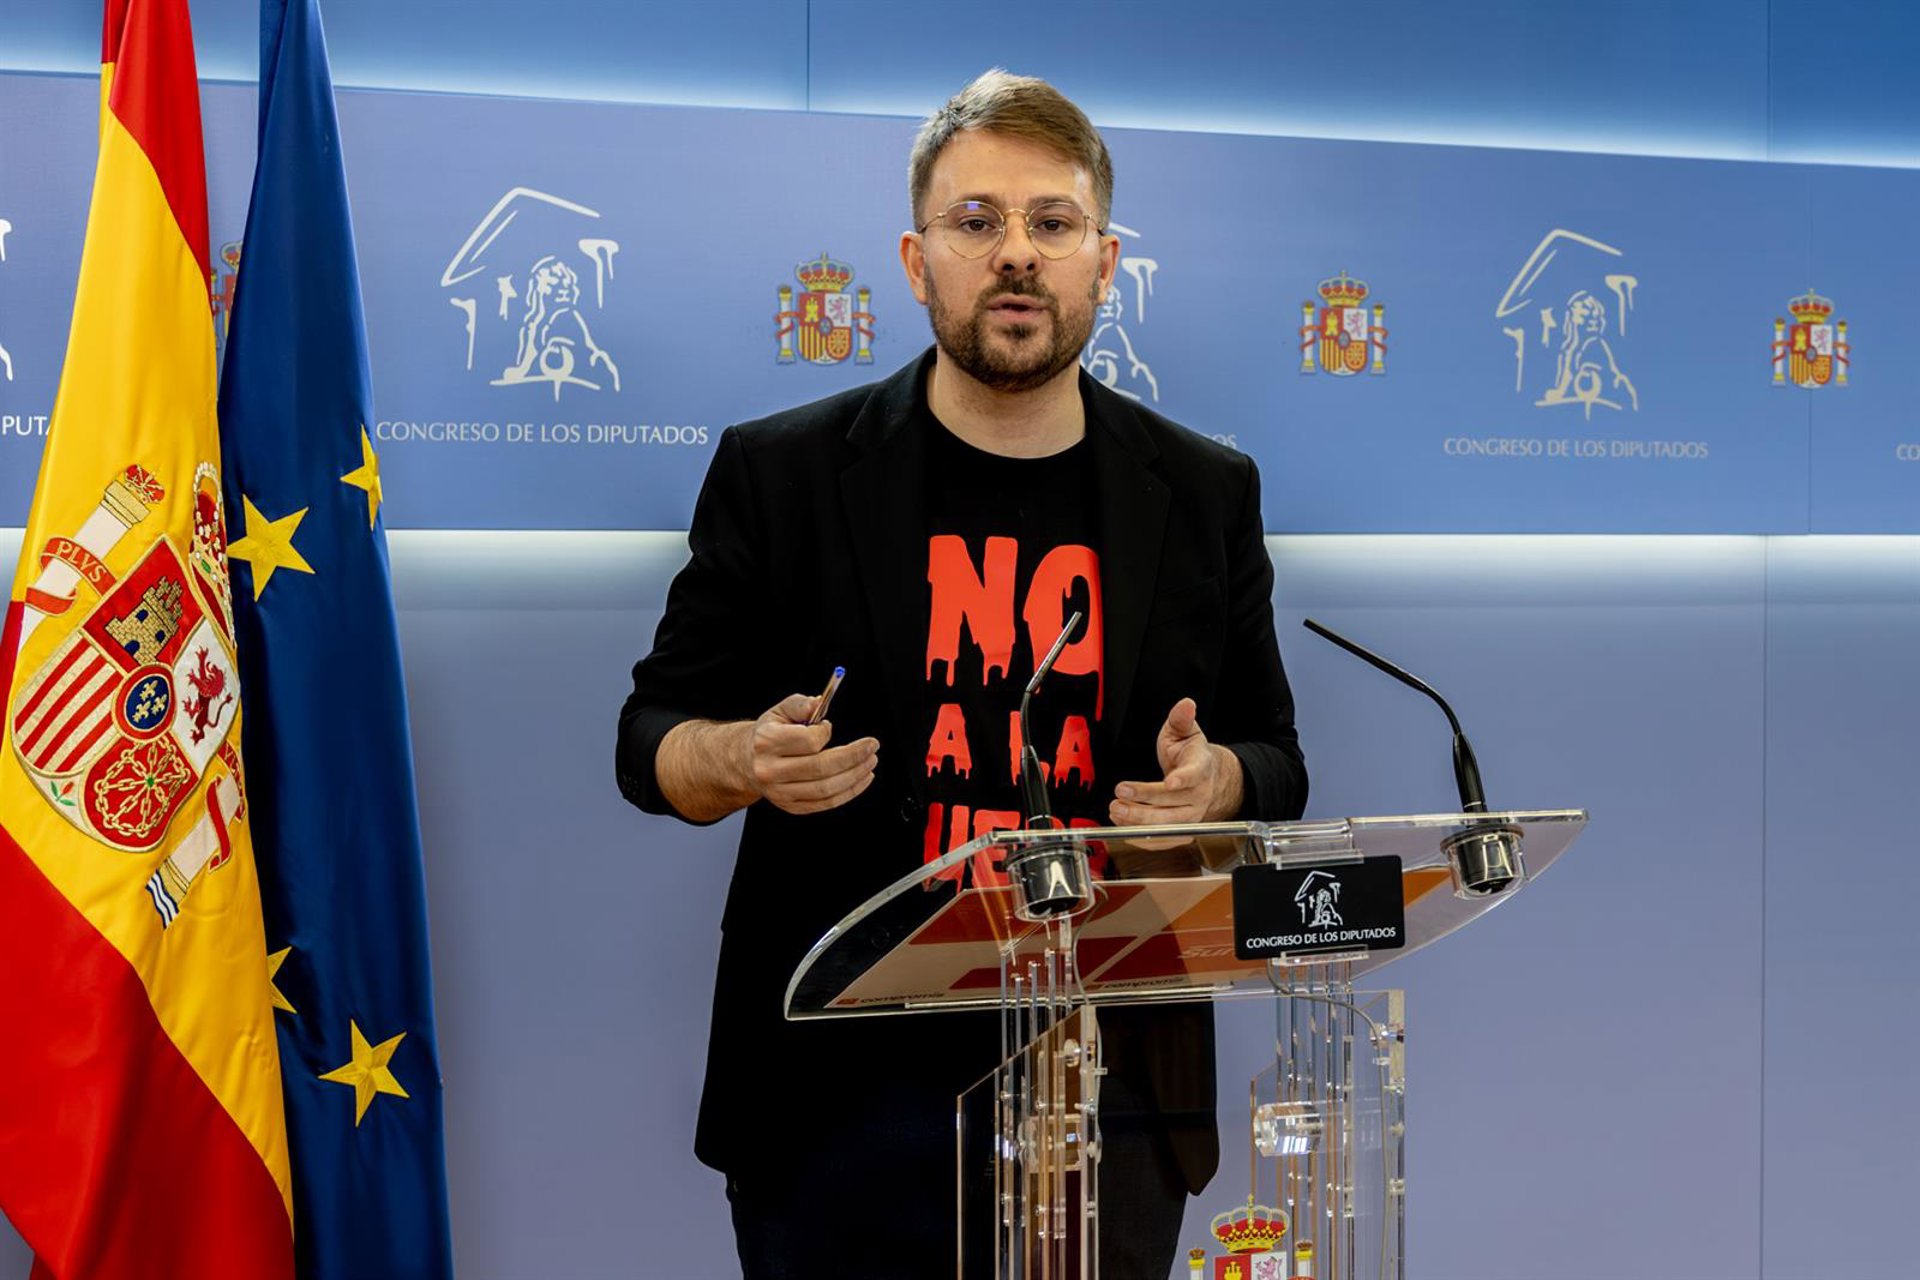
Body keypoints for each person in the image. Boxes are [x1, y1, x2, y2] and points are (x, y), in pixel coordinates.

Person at [616, 69, 1307, 1278]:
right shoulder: (783, 475)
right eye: (977, 220)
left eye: (1053, 222)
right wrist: (741, 756)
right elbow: (648, 741)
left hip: (1109, 1091)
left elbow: (1279, 763)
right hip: (838, 1093)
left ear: (1106, 261)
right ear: (916, 258)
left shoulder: (1203, 492)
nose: (1017, 253)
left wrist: (1219, 784)